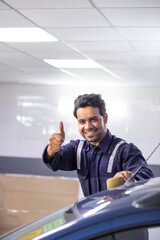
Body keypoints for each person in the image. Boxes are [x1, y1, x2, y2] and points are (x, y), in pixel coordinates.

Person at [42, 93, 154, 197]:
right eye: (82, 122)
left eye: (93, 119)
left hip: (118, 216)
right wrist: (51, 151)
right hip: (94, 215)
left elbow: (146, 179)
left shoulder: (126, 150)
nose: (88, 126)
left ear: (105, 118)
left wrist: (129, 178)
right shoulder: (77, 149)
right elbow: (54, 162)